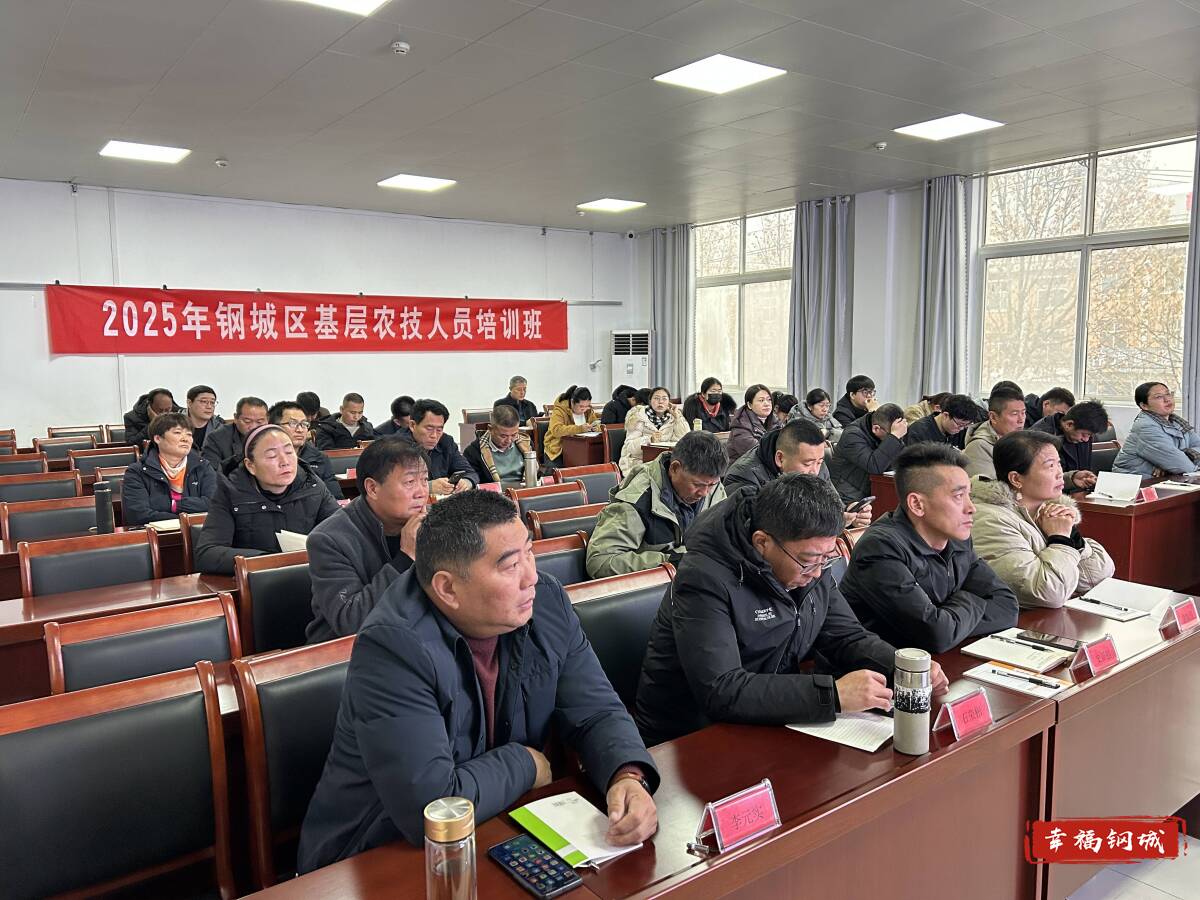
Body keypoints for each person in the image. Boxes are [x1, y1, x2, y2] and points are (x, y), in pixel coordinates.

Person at [297, 491, 659, 870]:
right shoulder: (393, 646)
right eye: (511, 565)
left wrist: (627, 775)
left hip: (498, 820)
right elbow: (433, 807)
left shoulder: (545, 602)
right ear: (448, 588)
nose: (532, 577)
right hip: (377, 854)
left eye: (530, 552)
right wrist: (525, 763)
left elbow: (596, 710)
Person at [634, 474, 949, 747]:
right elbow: (721, 690)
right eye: (808, 561)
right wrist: (832, 695)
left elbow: (846, 636)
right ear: (762, 543)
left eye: (826, 558)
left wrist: (903, 668)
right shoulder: (704, 577)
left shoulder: (811, 563)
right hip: (690, 736)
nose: (818, 572)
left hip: (772, 717)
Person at [840, 444, 1018, 654]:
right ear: (917, 504)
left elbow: (1008, 607)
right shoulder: (880, 549)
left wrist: (949, 621)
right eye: (958, 496)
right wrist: (971, 599)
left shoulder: (957, 540)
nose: (971, 508)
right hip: (880, 667)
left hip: (938, 660)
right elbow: (936, 634)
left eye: (969, 495)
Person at [970, 432, 1114, 609]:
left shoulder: (1049, 510)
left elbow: (1097, 577)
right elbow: (1048, 593)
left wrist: (1071, 537)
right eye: (1050, 466)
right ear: (1016, 478)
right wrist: (1060, 539)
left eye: (1059, 464)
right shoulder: (990, 520)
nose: (1060, 473)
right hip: (1018, 621)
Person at [305, 439, 430, 642]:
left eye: (424, 480)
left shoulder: (432, 523)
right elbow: (351, 621)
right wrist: (406, 557)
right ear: (372, 488)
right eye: (409, 482)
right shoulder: (329, 539)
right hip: (351, 650)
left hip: (412, 639)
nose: (422, 492)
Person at [195, 424, 340, 576]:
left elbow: (344, 532)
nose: (285, 462)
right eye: (272, 456)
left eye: (289, 452)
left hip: (307, 578)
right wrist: (270, 561)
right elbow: (207, 554)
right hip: (255, 581)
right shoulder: (230, 491)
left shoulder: (312, 485)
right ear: (250, 465)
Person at [586, 431, 727, 579]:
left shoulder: (712, 486)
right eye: (697, 485)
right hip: (657, 584)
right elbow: (600, 562)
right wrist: (670, 562)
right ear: (675, 468)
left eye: (712, 485)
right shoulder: (637, 500)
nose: (704, 493)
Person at [724, 419, 872, 528]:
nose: (814, 471)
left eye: (819, 462)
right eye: (807, 464)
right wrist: (828, 523)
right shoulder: (743, 477)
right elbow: (758, 530)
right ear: (780, 458)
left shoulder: (816, 464)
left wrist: (848, 514)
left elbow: (833, 505)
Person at [121, 412, 216, 527]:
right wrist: (185, 519)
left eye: (189, 434)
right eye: (177, 433)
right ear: (157, 438)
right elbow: (138, 515)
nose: (185, 439)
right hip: (157, 535)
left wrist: (174, 505)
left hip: (199, 532)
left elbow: (214, 504)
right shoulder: (137, 472)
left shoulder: (203, 467)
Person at [1113, 382, 1200, 476]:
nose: (1167, 399)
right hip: (1134, 480)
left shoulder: (1178, 423)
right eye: (1158, 397)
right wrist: (1175, 463)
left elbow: (1195, 448)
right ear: (1144, 406)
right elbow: (1184, 467)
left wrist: (1174, 462)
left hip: (1166, 480)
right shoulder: (1146, 427)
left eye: (1168, 394)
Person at [828, 403, 907, 503]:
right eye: (891, 435)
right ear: (876, 429)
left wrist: (896, 437)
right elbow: (874, 466)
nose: (897, 437)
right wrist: (894, 437)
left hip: (873, 488)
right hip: (847, 494)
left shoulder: (885, 432)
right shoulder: (852, 435)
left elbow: (901, 460)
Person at [397, 398, 477, 495]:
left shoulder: (446, 442)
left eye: (439, 430)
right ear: (412, 425)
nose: (434, 435)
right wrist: (429, 486)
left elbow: (471, 473)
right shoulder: (396, 447)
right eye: (429, 429)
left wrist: (466, 483)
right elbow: (394, 487)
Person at [269, 400, 343, 500]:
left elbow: (336, 498)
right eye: (293, 423)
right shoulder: (263, 460)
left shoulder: (320, 458)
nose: (300, 430)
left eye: (304, 424)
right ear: (275, 427)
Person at [1031, 400, 1108, 493]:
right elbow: (1040, 480)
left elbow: (1083, 469)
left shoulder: (1081, 433)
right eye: (1084, 434)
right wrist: (1072, 481)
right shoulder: (1041, 438)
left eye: (1090, 435)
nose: (1086, 439)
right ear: (1069, 424)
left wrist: (1086, 479)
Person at [619, 386, 689, 477]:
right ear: (650, 401)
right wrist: (649, 439)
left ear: (669, 402)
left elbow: (684, 439)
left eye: (664, 399)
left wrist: (677, 417)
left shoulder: (673, 417)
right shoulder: (638, 417)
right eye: (656, 398)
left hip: (664, 462)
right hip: (638, 462)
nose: (660, 402)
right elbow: (630, 448)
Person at [963, 385, 1027, 478]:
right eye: (1014, 414)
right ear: (993, 417)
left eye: (1023, 413)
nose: (1021, 420)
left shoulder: (1021, 439)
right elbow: (986, 487)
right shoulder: (978, 447)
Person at [463, 404, 535, 486]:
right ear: (490, 429)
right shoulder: (473, 452)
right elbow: (475, 482)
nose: (509, 440)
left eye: (514, 435)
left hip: (525, 488)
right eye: (503, 436)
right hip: (494, 492)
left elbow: (536, 474)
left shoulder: (526, 443)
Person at [201, 396, 268, 469]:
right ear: (236, 418)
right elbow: (211, 472)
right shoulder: (216, 438)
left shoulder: (274, 435)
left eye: (259, 422)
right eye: (247, 421)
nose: (254, 427)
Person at [543, 385, 601, 466]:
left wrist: (596, 427)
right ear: (572, 402)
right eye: (581, 406)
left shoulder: (588, 411)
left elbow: (596, 423)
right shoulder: (560, 410)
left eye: (586, 406)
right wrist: (580, 428)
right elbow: (556, 430)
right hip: (558, 450)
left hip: (581, 449)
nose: (584, 409)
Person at [904, 393, 981, 447]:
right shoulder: (918, 431)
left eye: (965, 425)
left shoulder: (961, 431)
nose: (961, 429)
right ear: (945, 415)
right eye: (959, 424)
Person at [726, 384, 778, 461]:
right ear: (749, 405)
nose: (767, 404)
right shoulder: (740, 426)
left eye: (769, 399)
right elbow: (757, 454)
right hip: (744, 466)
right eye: (761, 400)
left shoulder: (775, 421)